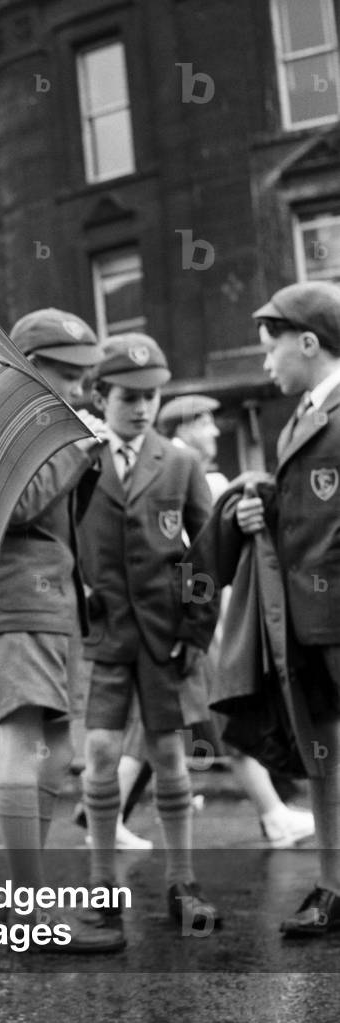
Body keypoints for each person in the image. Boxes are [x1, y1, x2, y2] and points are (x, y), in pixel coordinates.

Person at [0, 308, 123, 951]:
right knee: (25, 747)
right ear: (31, 368)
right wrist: (80, 445)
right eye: (70, 374)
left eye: (89, 376)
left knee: (58, 752)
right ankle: (24, 916)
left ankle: (27, 906)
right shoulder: (6, 425)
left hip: (54, 606)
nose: (86, 389)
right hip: (19, 605)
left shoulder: (44, 426)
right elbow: (21, 507)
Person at [77, 335, 221, 937]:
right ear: (100, 395)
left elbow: (207, 552)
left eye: (151, 396)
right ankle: (103, 884)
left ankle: (181, 882)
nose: (140, 408)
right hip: (105, 635)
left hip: (166, 638)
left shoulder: (180, 462)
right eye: (128, 397)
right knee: (103, 755)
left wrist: (196, 625)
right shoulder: (80, 460)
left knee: (168, 758)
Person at [161, 394, 314, 848]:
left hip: (207, 619)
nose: (214, 432)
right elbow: (200, 560)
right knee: (223, 712)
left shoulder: (201, 475)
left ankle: (99, 814)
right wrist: (214, 624)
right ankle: (274, 815)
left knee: (151, 731)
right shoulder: (181, 471)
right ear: (185, 427)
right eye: (205, 423)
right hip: (199, 622)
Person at [234, 281, 340, 936]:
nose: (265, 360)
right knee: (322, 754)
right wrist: (264, 507)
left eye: (271, 345)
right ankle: (330, 887)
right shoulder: (301, 417)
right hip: (304, 619)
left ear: (307, 342)